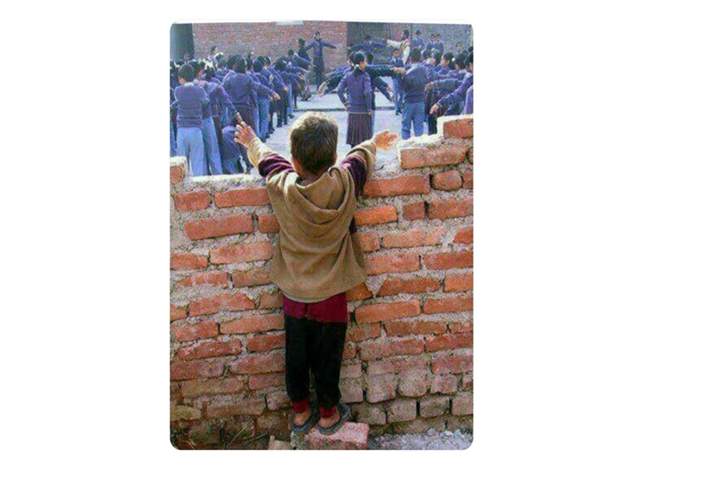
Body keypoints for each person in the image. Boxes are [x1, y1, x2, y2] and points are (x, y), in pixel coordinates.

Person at [233, 112, 398, 435]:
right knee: (328, 356)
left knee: (295, 353)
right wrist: (373, 142)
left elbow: (266, 158)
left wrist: (250, 139)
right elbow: (359, 157)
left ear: (294, 161)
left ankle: (299, 413)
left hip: (294, 292)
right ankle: (327, 415)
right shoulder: (346, 181)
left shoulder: (282, 184)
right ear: (333, 157)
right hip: (332, 293)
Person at [173, 63, 209, 176]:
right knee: (197, 162)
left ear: (182, 78)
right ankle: (199, 185)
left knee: (181, 164)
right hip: (196, 129)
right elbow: (206, 102)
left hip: (182, 130)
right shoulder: (199, 90)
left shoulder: (177, 91)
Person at [337, 52, 373, 147]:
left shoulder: (347, 75)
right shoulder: (365, 76)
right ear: (360, 63)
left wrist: (345, 103)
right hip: (363, 111)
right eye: (365, 62)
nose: (366, 64)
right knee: (364, 141)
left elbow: (339, 90)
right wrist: (369, 108)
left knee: (354, 141)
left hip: (352, 110)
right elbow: (367, 92)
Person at [396, 48, 429, 139]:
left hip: (409, 101)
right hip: (420, 101)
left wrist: (399, 75)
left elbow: (402, 86)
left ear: (410, 58)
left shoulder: (407, 69)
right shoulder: (424, 69)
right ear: (420, 57)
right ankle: (419, 146)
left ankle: (405, 145)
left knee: (406, 128)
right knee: (419, 129)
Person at [390, 48, 405, 115]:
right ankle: (396, 108)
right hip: (394, 78)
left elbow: (403, 68)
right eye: (395, 53)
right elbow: (391, 69)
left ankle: (399, 106)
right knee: (395, 94)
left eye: (397, 53)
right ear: (393, 53)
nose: (396, 54)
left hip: (400, 78)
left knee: (401, 94)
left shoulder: (400, 60)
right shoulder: (391, 61)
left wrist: (398, 70)